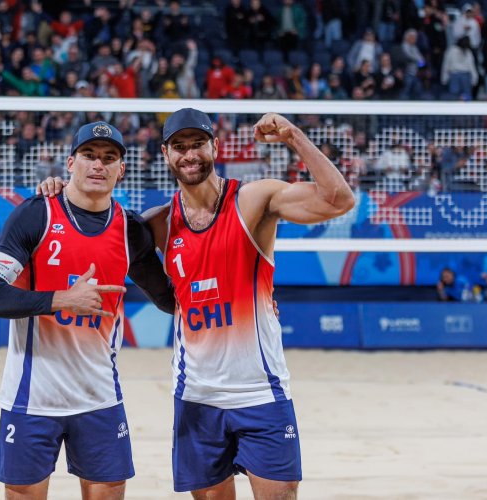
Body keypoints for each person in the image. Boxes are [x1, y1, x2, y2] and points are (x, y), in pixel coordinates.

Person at [39, 109, 355, 499]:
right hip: (197, 397)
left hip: (260, 393)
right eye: (179, 147)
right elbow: (92, 217)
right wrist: (56, 188)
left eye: (197, 144)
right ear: (167, 155)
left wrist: (292, 135)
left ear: (215, 147)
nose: (189, 154)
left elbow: (339, 200)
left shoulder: (252, 200)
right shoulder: (158, 223)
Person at [0, 121, 175, 500]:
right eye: (89, 155)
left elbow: (169, 300)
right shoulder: (35, 214)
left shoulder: (130, 230)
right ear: (70, 162)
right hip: (32, 398)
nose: (98, 165)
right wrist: (60, 299)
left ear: (121, 169)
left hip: (98, 396)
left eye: (109, 158)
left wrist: (249, 296)